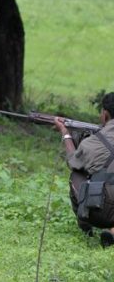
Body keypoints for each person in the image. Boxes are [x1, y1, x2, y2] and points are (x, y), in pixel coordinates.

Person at [54, 92, 114, 247]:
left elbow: (74, 162)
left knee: (77, 175)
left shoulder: (91, 143)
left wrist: (66, 134)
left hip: (102, 213)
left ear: (105, 114)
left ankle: (86, 226)